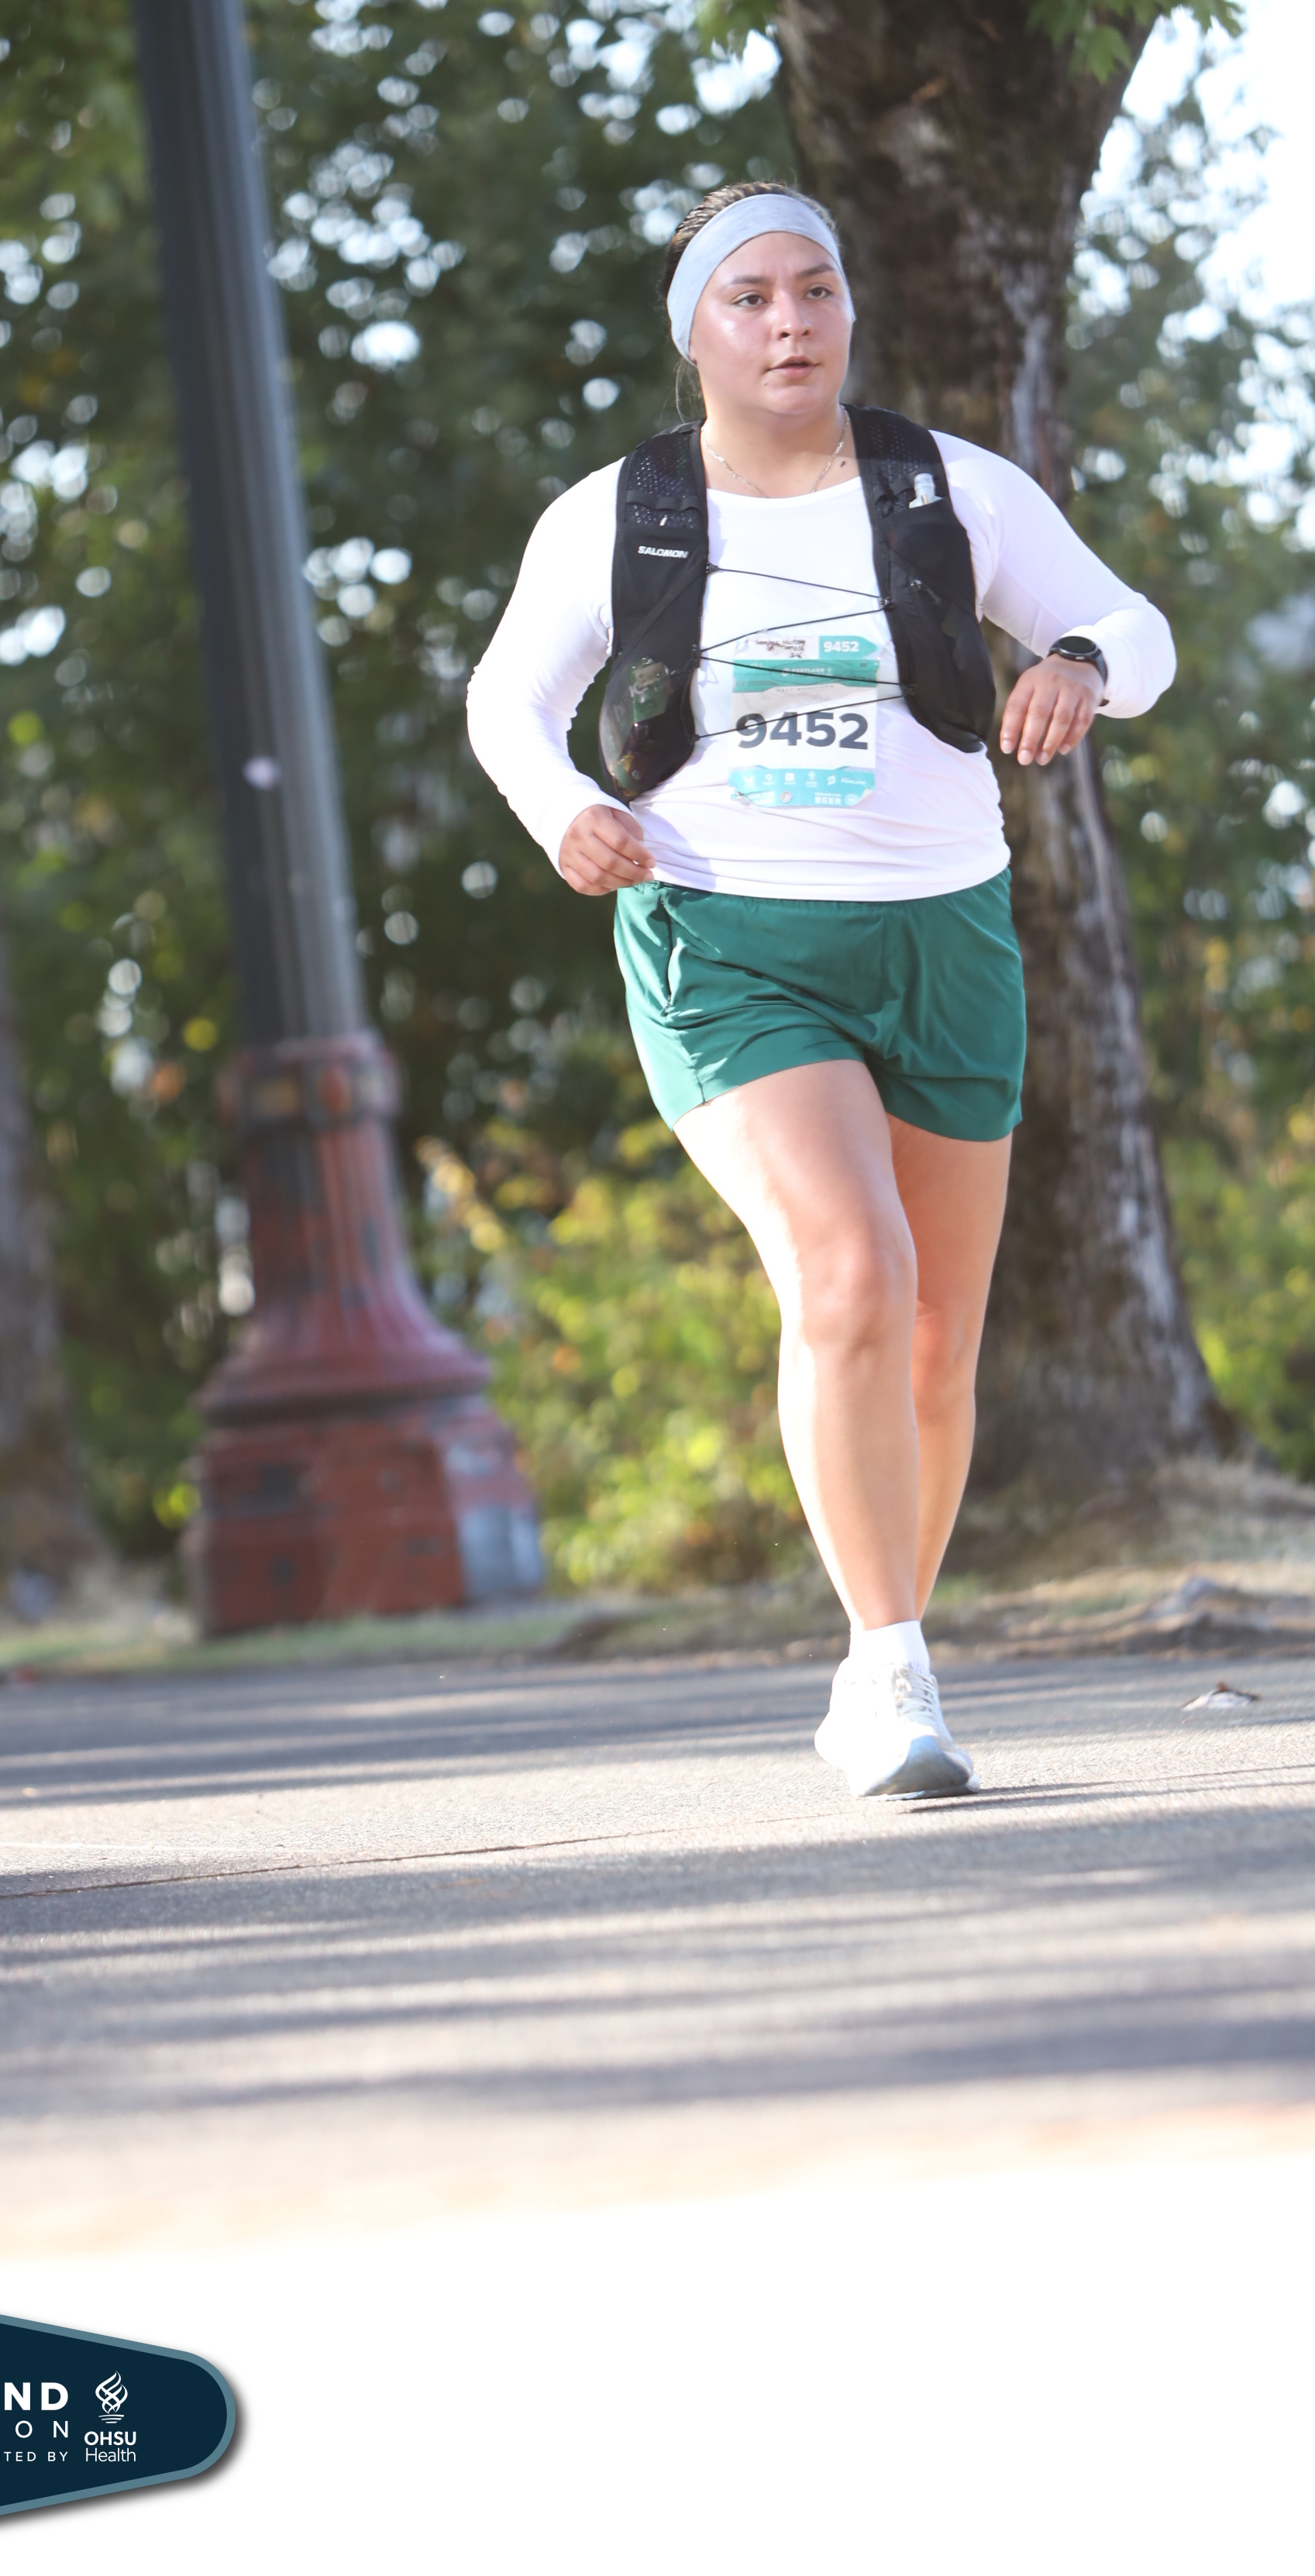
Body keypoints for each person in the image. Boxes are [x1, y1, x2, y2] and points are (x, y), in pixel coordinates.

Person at [466, 181, 1174, 1799]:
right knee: (852, 1271)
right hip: (728, 938)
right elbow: (510, 700)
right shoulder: (619, 514)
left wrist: (1075, 664)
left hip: (945, 933)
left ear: (848, 309)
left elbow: (1133, 627)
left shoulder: (950, 488)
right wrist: (564, 809)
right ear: (696, 334)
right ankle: (891, 1668)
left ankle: (884, 1647)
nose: (790, 323)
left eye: (816, 290)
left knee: (933, 1340)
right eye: (750, 297)